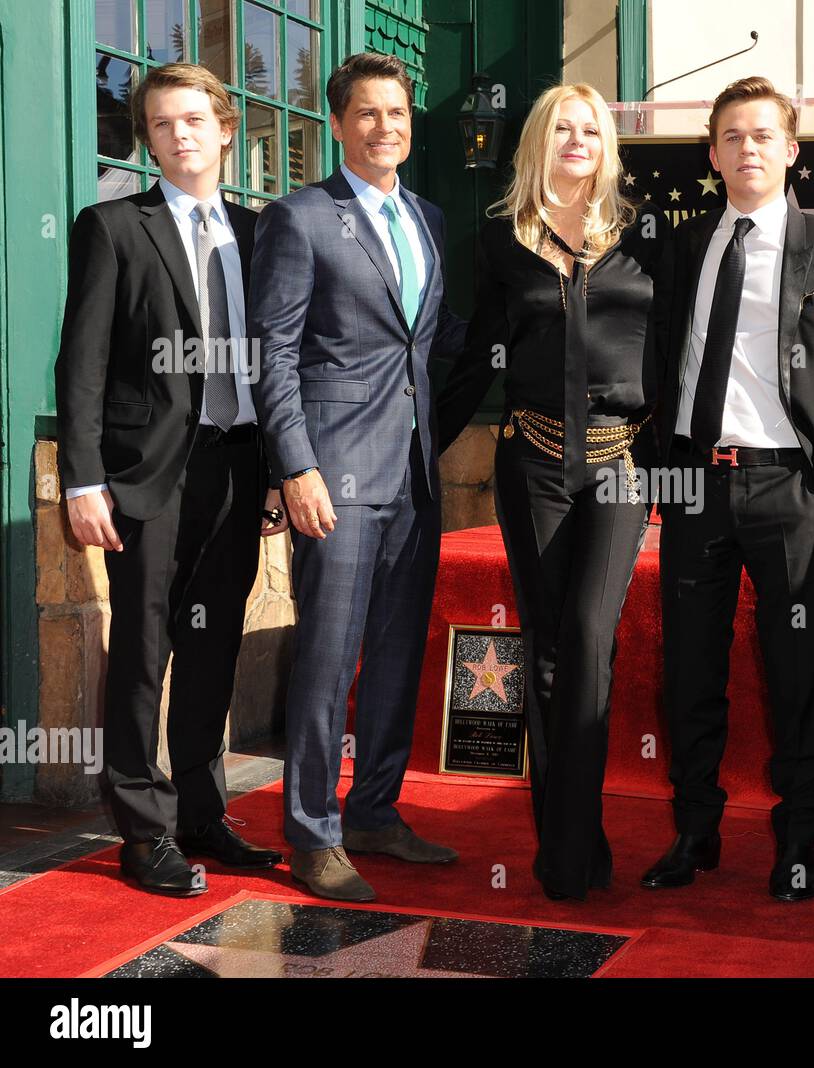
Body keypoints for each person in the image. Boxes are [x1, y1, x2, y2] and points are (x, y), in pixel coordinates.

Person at [435, 84, 670, 902]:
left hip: (618, 463)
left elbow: (675, 354)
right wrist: (416, 443)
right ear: (540, 140)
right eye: (563, 128)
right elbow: (473, 357)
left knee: (586, 637)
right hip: (530, 462)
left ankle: (573, 837)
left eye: (591, 128)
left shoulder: (645, 237)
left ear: (608, 145)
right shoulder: (500, 243)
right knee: (543, 647)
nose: (578, 139)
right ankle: (566, 849)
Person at [55, 63, 285, 896]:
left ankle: (200, 811)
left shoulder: (263, 235)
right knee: (145, 651)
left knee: (212, 645)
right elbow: (79, 366)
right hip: (145, 476)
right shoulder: (113, 226)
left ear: (227, 129)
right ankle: (142, 830)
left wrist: (274, 477)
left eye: (193, 119)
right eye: (160, 124)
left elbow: (278, 362)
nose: (178, 134)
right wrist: (83, 481)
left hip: (236, 467)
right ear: (148, 138)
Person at [640, 76, 814, 902]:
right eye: (732, 136)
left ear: (791, 150)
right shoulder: (683, 244)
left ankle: (798, 838)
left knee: (795, 669)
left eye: (763, 135)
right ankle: (694, 832)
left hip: (788, 490)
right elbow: (654, 361)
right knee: (692, 672)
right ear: (712, 152)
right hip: (696, 485)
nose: (747, 149)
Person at [250, 52, 466, 902]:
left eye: (399, 112)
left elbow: (433, 341)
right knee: (328, 662)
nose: (387, 127)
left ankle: (375, 810)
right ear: (339, 124)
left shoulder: (430, 217)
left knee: (398, 656)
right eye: (368, 113)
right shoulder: (301, 218)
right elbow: (273, 353)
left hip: (414, 476)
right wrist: (294, 465)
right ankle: (311, 831)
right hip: (334, 476)